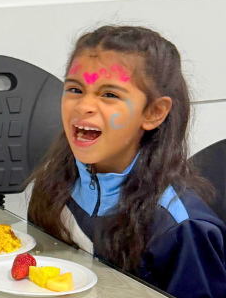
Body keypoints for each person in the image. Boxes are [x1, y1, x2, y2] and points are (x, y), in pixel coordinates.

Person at [27, 25, 226, 298]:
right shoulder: (53, 186)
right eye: (75, 89)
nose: (84, 105)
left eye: (109, 95)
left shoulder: (181, 229)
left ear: (154, 112)